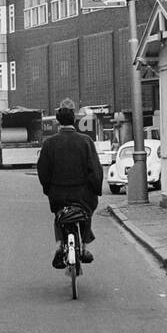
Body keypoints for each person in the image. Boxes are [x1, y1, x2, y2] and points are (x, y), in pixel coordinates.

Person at [37, 98, 103, 270]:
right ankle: (86, 246)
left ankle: (59, 244)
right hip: (83, 195)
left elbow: (43, 171)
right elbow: (95, 169)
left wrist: (49, 189)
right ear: (74, 120)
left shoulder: (49, 143)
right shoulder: (86, 142)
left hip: (59, 194)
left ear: (58, 121)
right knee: (87, 213)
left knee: (59, 215)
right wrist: (95, 188)